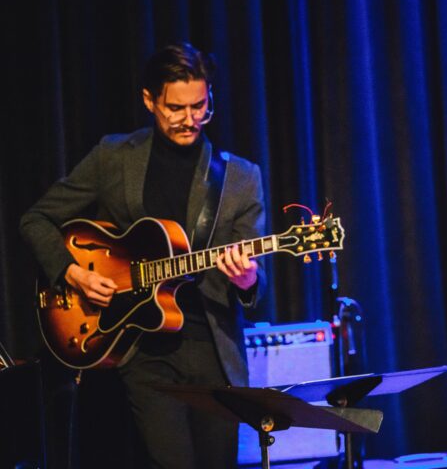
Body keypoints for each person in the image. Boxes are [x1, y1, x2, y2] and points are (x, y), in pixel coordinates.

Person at [20, 42, 266, 468]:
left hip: (212, 352)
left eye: (201, 107)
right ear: (149, 100)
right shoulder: (114, 157)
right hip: (141, 351)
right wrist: (73, 273)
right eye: (175, 108)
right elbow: (36, 219)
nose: (190, 120)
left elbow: (253, 283)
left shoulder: (241, 178)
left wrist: (247, 281)